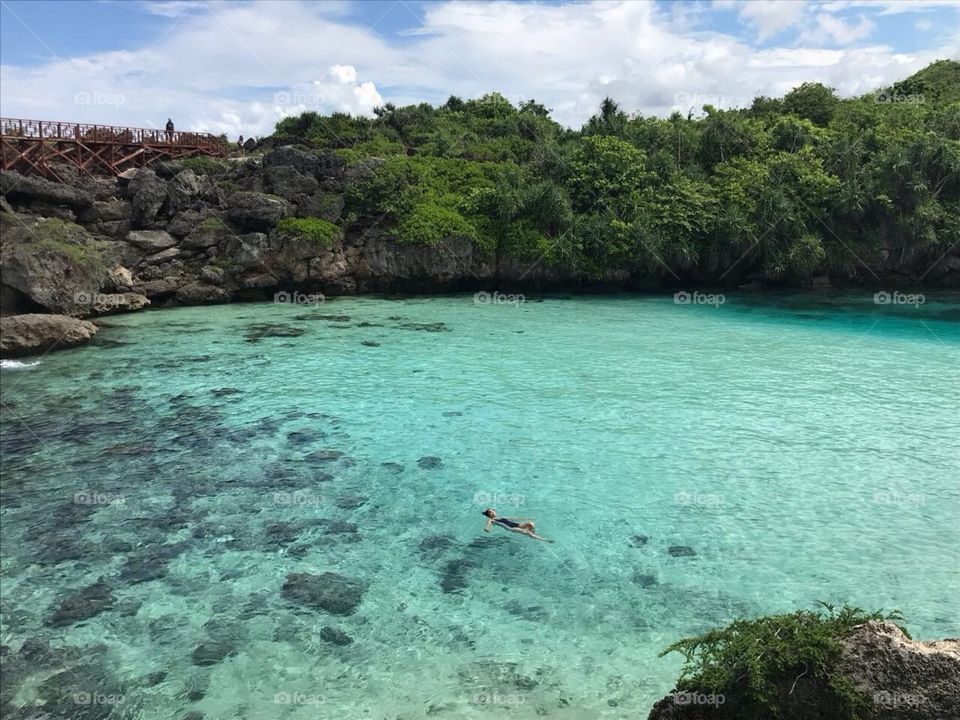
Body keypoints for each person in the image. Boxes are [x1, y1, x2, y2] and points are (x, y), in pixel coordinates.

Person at [482, 508, 553, 542]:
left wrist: (526, 518)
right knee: (527, 532)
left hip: (518, 525)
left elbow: (514, 518)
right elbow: (488, 524)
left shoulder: (501, 517)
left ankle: (533, 535)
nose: (493, 512)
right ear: (488, 515)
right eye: (490, 512)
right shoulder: (491, 520)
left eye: (493, 510)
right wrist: (487, 528)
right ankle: (544, 540)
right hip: (511, 528)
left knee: (531, 524)